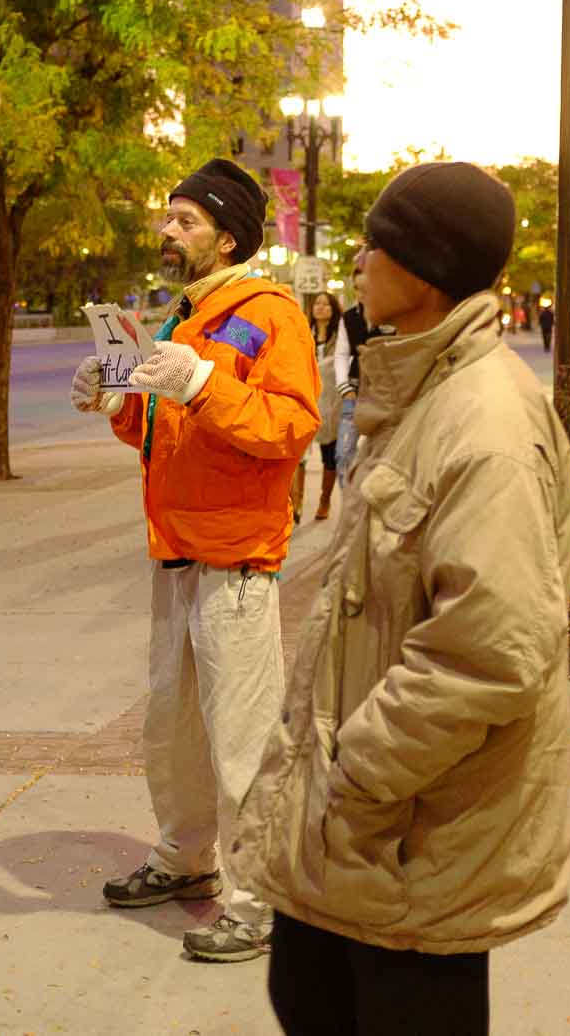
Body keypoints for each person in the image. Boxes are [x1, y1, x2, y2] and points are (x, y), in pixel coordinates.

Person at [231, 161, 570, 1034]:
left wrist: (357, 770)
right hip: (363, 831)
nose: (356, 260)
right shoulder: (420, 391)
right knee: (306, 997)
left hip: (409, 833)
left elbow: (489, 649)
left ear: (420, 272)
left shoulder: (483, 427)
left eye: (374, 246)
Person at [68, 157, 318, 963]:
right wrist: (116, 399)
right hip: (174, 550)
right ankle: (184, 858)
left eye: (185, 221)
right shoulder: (185, 317)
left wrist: (203, 382)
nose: (166, 233)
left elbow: (289, 427)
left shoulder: (267, 314)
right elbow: (165, 436)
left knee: (242, 738)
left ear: (228, 236)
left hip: (238, 557)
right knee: (170, 729)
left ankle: (258, 897)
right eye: (166, 217)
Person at [330, 255, 388, 481]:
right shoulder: (349, 317)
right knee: (343, 453)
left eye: (365, 287)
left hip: (385, 394)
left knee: (382, 455)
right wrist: (344, 386)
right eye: (356, 288)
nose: (360, 292)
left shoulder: (389, 314)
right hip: (354, 391)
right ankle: (348, 500)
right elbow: (342, 353)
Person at [289, 291, 342, 524]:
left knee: (329, 455)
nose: (320, 307)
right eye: (317, 304)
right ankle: (296, 503)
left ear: (333, 309)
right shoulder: (303, 334)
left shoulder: (340, 336)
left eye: (326, 304)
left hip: (331, 402)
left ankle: (325, 500)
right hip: (306, 401)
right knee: (298, 454)